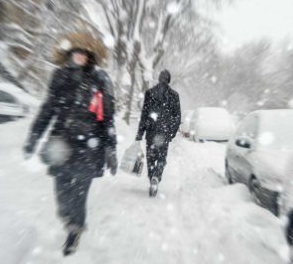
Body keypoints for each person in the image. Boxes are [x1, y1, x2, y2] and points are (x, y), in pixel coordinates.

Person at [23, 32, 117, 256]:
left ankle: (75, 230)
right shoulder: (59, 76)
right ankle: (67, 217)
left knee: (79, 193)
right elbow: (48, 109)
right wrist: (33, 138)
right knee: (62, 192)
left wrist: (110, 147)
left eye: (83, 53)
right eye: (75, 52)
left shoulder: (100, 79)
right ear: (69, 54)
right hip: (61, 146)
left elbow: (107, 118)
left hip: (89, 147)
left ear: (90, 56)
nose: (79, 56)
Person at [135, 70, 181, 197]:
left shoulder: (150, 93)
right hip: (164, 133)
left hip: (151, 131)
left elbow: (144, 114)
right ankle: (157, 176)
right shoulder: (174, 95)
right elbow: (177, 117)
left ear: (159, 78)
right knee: (161, 158)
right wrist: (171, 132)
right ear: (169, 80)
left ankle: (152, 178)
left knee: (150, 158)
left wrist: (140, 132)